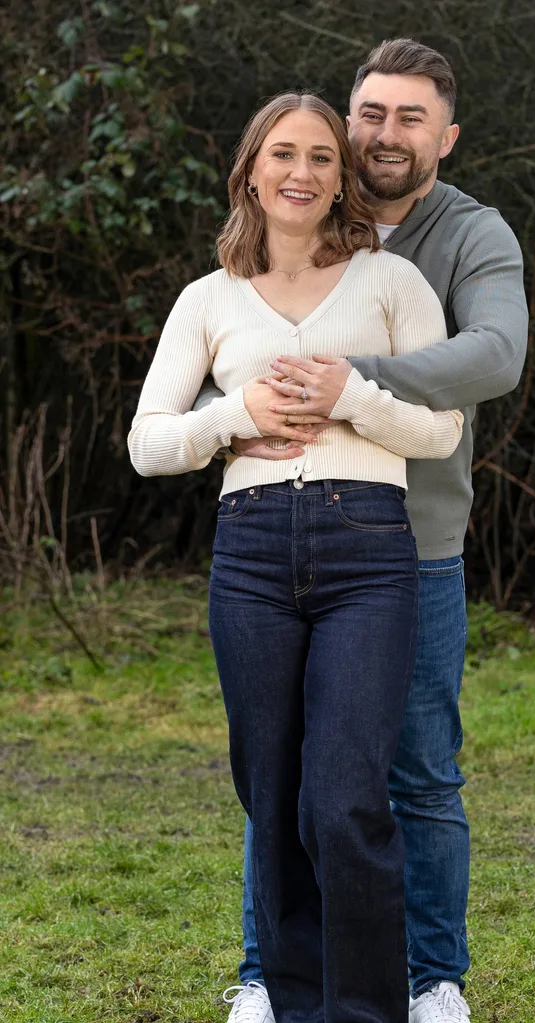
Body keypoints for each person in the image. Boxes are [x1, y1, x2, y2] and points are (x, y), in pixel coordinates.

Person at [206, 39, 529, 1023]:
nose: (387, 135)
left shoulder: (474, 235)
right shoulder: (293, 214)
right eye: (373, 114)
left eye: (411, 117)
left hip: (414, 551)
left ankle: (434, 979)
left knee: (419, 770)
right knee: (278, 768)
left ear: (448, 135)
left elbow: (497, 352)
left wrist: (356, 381)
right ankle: (268, 975)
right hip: (279, 538)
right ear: (345, 121)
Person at [128, 91, 465, 1023]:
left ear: (340, 176)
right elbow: (146, 442)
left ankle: (365, 1012)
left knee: (346, 798)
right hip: (252, 557)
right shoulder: (209, 299)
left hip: (367, 550)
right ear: (250, 171)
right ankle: (290, 999)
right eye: (283, 154)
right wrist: (238, 417)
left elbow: (440, 430)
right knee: (272, 796)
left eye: (322, 156)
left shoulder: (391, 284)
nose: (302, 172)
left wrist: (350, 393)